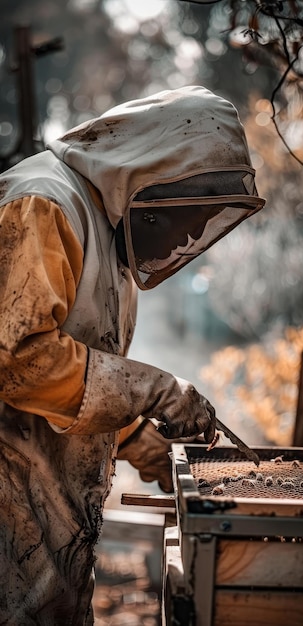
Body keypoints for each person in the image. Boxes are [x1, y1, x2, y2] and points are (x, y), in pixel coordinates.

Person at [0, 85, 265, 624]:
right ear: (153, 184)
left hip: (44, 524)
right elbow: (19, 360)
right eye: (193, 215)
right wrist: (154, 389)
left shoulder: (103, 234)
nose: (192, 236)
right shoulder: (44, 203)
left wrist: (149, 448)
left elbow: (73, 388)